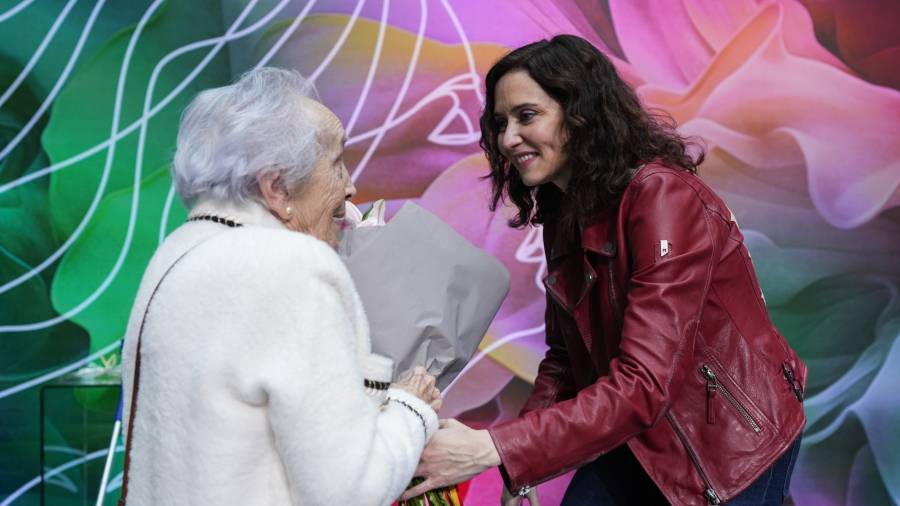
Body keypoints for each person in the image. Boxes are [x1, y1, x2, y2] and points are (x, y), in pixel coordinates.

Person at [405, 35, 807, 505]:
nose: (508, 138)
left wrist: (497, 447)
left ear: (581, 115)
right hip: (638, 432)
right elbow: (565, 361)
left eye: (527, 116)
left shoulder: (661, 197)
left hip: (727, 446)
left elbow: (644, 383)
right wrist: (522, 465)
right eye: (500, 122)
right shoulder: (565, 206)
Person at [119, 68, 441, 506]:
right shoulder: (293, 266)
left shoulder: (174, 254)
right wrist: (410, 409)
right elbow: (349, 491)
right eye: (336, 163)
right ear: (277, 187)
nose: (351, 186)